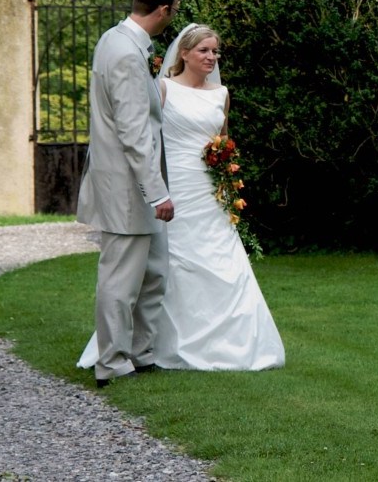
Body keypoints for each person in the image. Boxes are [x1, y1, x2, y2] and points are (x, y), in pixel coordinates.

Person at [79, 23, 284, 371]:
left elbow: (223, 140)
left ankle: (229, 344)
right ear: (184, 53)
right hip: (173, 186)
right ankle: (150, 346)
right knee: (166, 266)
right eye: (204, 50)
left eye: (215, 51)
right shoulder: (163, 89)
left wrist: (225, 170)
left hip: (208, 190)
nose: (211, 57)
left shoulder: (221, 93)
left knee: (222, 259)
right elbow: (147, 138)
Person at [77, 0, 179, 388]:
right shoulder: (123, 52)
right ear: (164, 10)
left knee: (153, 272)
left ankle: (141, 351)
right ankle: (113, 362)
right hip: (127, 186)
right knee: (121, 279)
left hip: (134, 183)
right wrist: (157, 192)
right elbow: (134, 131)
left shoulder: (119, 41)